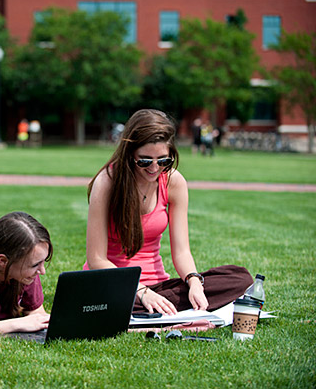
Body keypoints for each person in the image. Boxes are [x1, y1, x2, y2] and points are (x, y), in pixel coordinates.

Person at [84, 109, 252, 315]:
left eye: (163, 160)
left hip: (160, 287)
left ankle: (152, 309)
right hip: (115, 283)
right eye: (145, 161)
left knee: (240, 277)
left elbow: (181, 251)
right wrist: (141, 291)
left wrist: (194, 281)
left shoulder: (174, 182)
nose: (155, 168)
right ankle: (149, 308)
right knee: (100, 299)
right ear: (129, 154)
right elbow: (96, 259)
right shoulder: (107, 182)